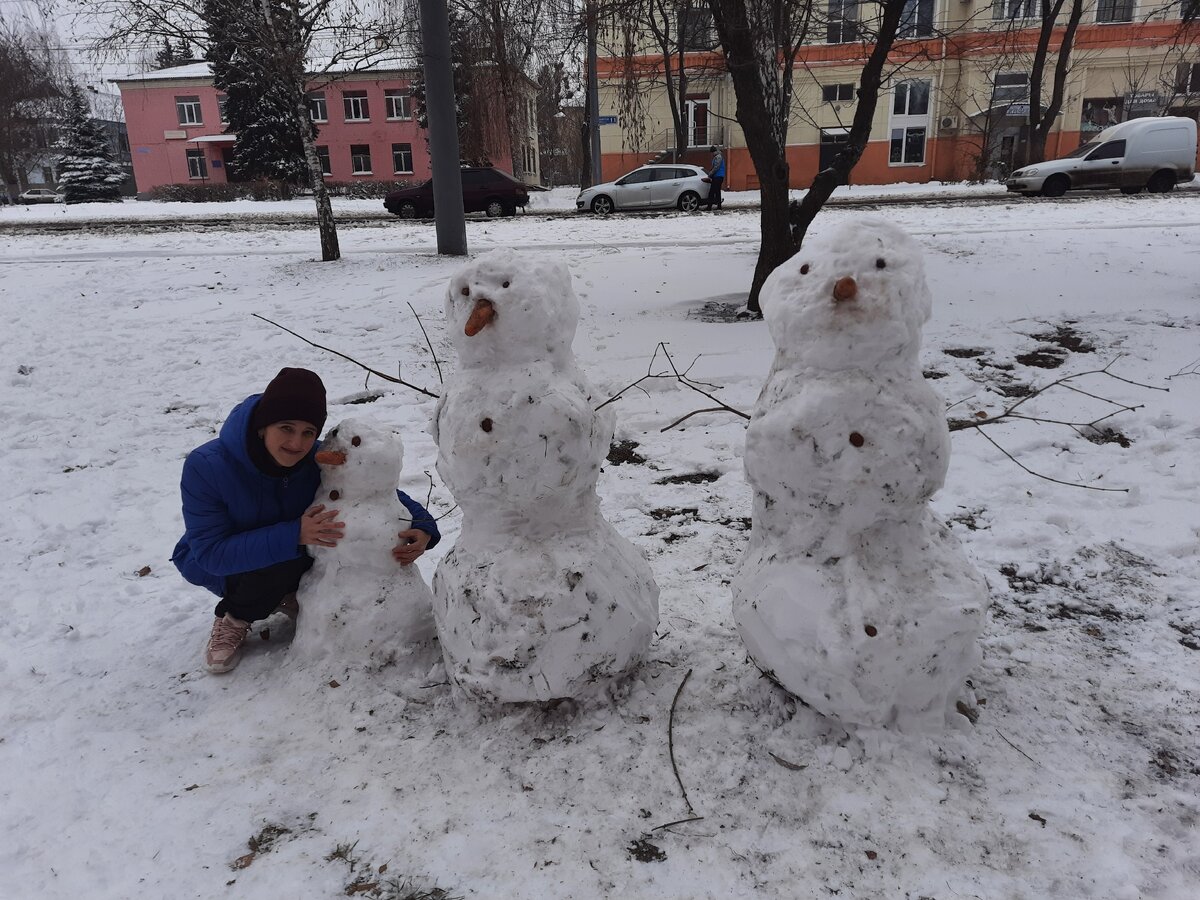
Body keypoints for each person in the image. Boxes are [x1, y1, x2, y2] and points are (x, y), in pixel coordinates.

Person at [171, 367, 440, 674]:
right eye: (286, 428)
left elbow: (372, 492)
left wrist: (423, 526)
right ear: (262, 426)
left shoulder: (315, 460)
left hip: (299, 548)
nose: (296, 444)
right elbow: (210, 553)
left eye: (308, 432)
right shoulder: (207, 466)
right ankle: (234, 616)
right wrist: (294, 534)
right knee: (279, 561)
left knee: (330, 543)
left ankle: (290, 592)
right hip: (223, 562)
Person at [703, 145, 725, 211]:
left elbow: (716, 167)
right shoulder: (717, 156)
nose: (711, 154)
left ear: (713, 152)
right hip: (719, 176)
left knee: (712, 192)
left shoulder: (718, 157)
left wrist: (710, 174)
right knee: (716, 191)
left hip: (718, 176)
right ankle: (718, 206)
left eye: (711, 153)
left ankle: (710, 207)